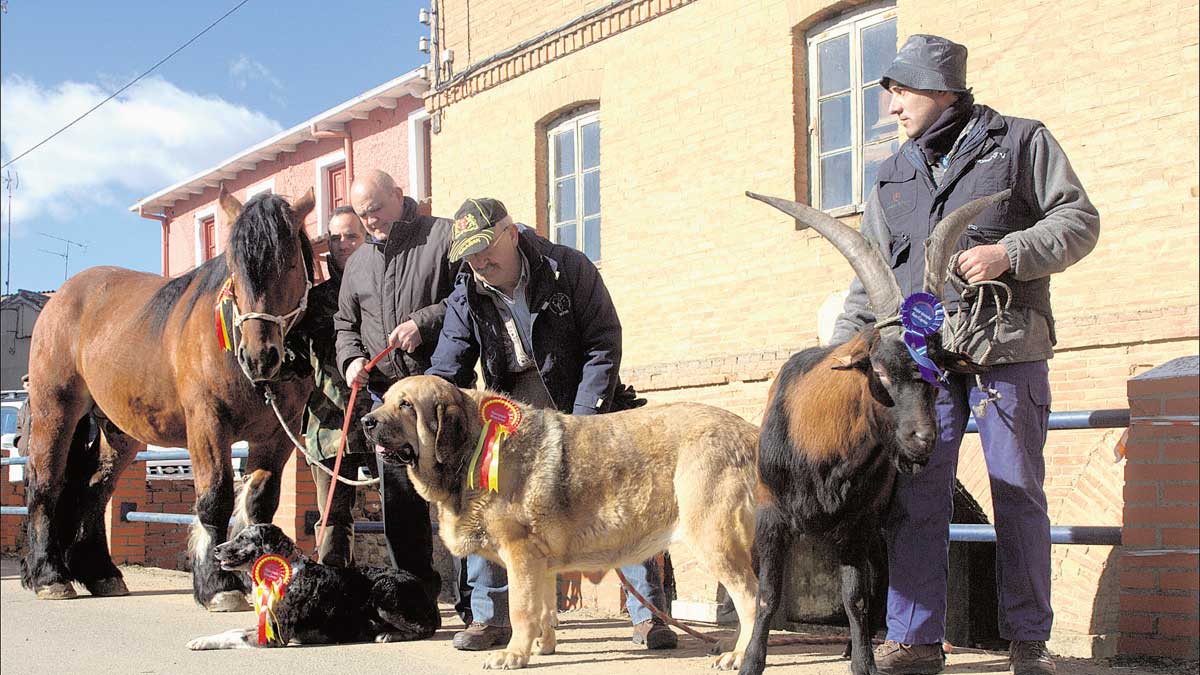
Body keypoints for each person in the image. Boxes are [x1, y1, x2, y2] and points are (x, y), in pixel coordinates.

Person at [830, 35, 1100, 675]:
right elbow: (870, 275)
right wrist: (835, 352)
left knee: (1017, 495)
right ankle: (916, 641)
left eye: (898, 93)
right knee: (916, 495)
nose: (889, 109)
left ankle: (1028, 643)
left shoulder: (1021, 142)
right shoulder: (890, 174)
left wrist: (1011, 253)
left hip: (1007, 345)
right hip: (924, 363)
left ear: (938, 86)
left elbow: (1078, 220)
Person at [427, 197, 675, 652]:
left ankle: (650, 616)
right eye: (469, 255)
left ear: (512, 233)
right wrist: (419, 402)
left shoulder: (570, 267)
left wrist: (585, 421)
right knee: (488, 502)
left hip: (583, 398)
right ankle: (490, 618)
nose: (480, 262)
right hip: (512, 416)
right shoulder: (467, 293)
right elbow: (448, 368)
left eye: (485, 249)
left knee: (626, 500)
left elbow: (604, 344)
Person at [334, 169, 457, 591]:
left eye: (376, 210)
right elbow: (344, 325)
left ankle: (476, 608)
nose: (370, 221)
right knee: (401, 502)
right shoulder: (358, 264)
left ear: (398, 195)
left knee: (459, 501)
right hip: (387, 401)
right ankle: (413, 598)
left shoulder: (441, 236)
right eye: (362, 215)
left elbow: (468, 295)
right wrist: (351, 359)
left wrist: (423, 322)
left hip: (441, 395)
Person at [293, 206, 370, 567]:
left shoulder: (384, 291)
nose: (343, 243)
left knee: (406, 514)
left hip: (381, 418)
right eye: (336, 237)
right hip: (329, 427)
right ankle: (335, 598)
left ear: (366, 238)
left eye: (351, 235)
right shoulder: (313, 303)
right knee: (333, 518)